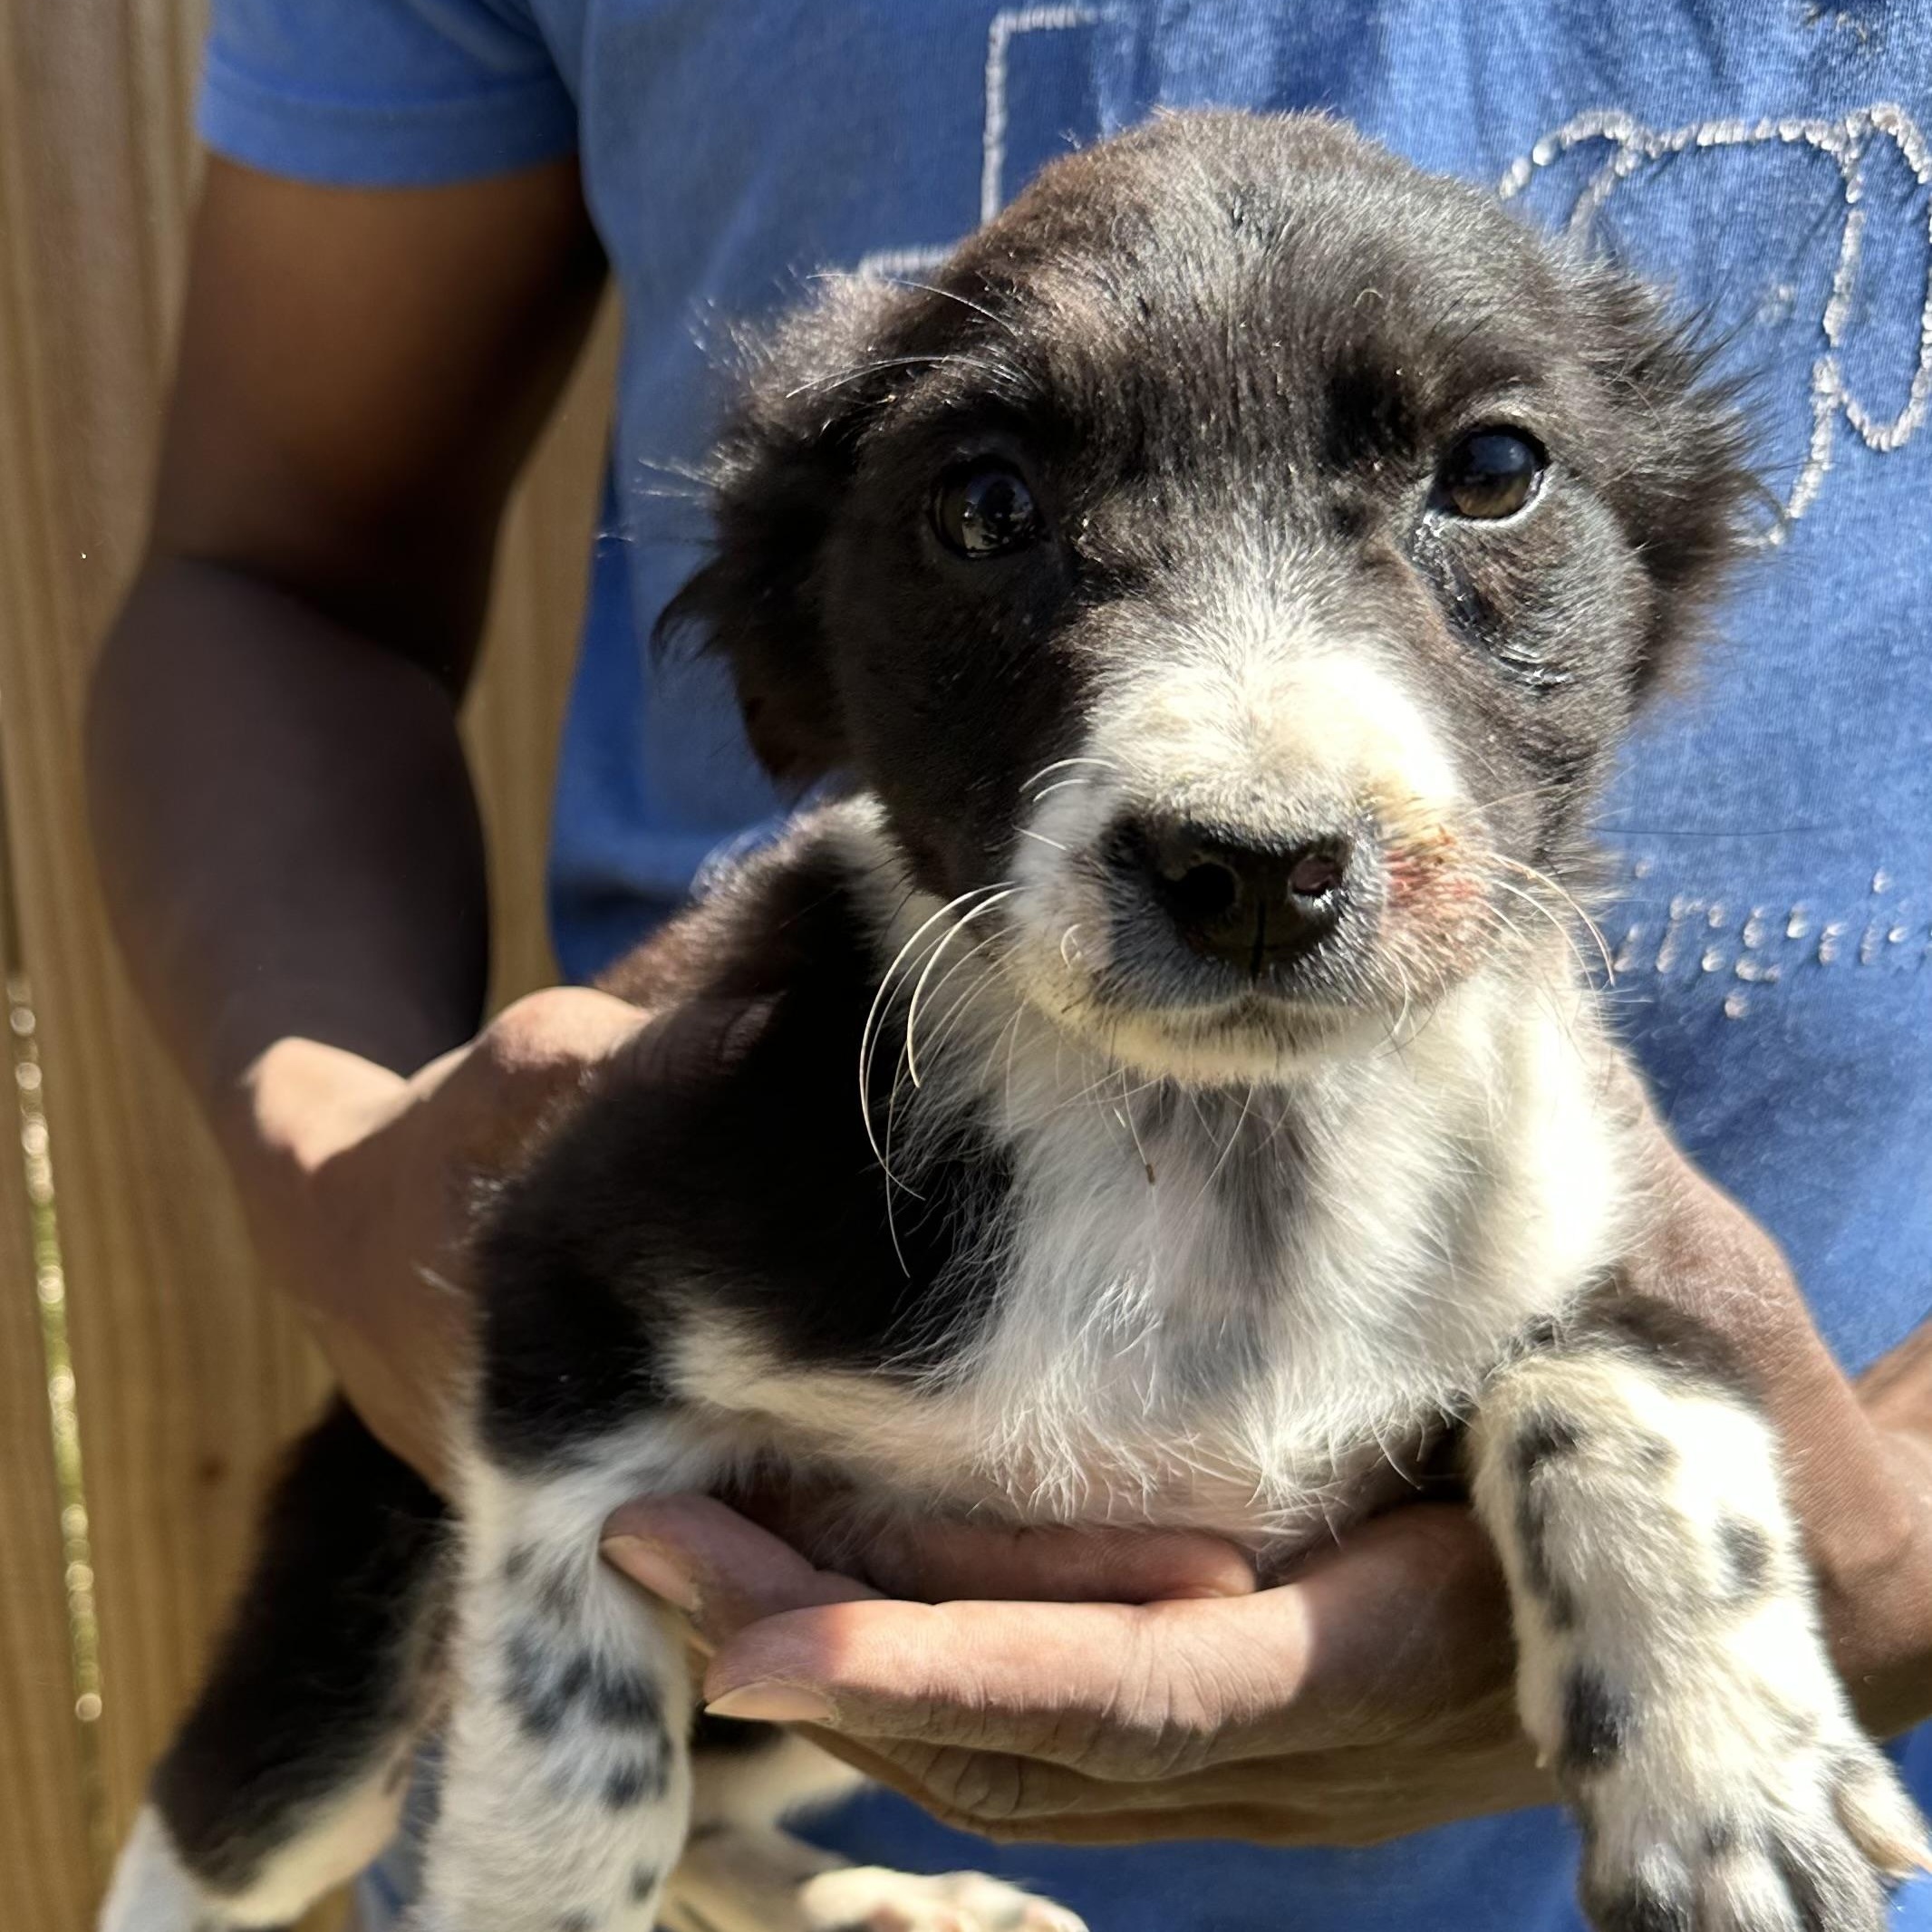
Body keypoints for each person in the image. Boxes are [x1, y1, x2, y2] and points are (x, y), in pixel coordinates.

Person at [86, 4, 1932, 1928]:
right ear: (796, 658)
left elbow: (1613, 1336)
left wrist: (1882, 1553)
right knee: (285, 1787)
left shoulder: (1548, 1169)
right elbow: (277, 563)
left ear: (1665, 563)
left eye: (1482, 475)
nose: (1253, 797)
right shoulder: (758, 1135)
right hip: (710, 1647)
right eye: (989, 513)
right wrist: (336, 1170)